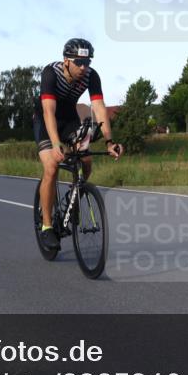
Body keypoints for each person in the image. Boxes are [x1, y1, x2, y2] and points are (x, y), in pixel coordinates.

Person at [34, 38, 122, 251]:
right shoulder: (51, 73)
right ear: (66, 61)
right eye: (78, 62)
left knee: (87, 160)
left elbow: (99, 107)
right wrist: (56, 144)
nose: (84, 67)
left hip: (70, 120)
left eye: (87, 62)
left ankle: (73, 197)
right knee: (52, 166)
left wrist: (109, 141)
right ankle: (47, 226)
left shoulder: (91, 75)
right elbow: (48, 111)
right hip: (46, 121)